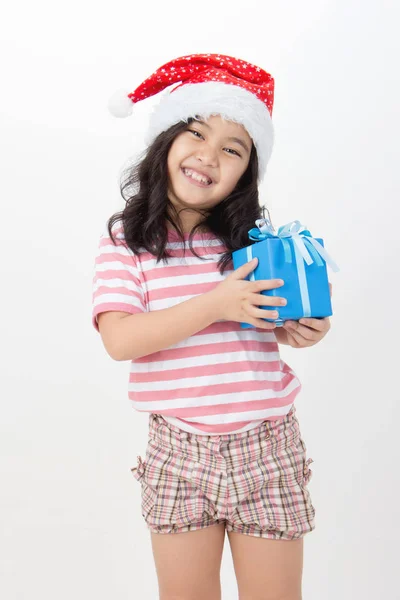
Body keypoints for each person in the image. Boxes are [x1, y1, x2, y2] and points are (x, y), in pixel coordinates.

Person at [92, 53, 332, 600]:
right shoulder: (124, 245)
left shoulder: (255, 244)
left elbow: (270, 323)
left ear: (246, 173)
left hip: (267, 447)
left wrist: (300, 328)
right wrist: (217, 302)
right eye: (196, 134)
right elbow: (120, 338)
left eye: (233, 148)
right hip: (177, 452)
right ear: (165, 144)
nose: (208, 155)